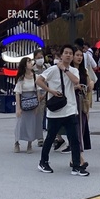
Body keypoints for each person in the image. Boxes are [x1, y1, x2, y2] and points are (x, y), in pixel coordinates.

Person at [37, 44, 87, 176]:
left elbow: (76, 81)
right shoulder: (52, 69)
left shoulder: (72, 70)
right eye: (66, 53)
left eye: (71, 53)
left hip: (70, 109)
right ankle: (43, 162)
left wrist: (64, 69)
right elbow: (39, 80)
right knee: (50, 137)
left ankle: (76, 166)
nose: (69, 55)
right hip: (55, 111)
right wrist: (50, 90)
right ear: (61, 55)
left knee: (74, 139)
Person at [13, 57, 43, 153]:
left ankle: (29, 144)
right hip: (23, 101)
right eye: (28, 62)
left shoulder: (36, 76)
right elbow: (17, 93)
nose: (31, 63)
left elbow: (38, 92)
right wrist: (18, 108)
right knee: (20, 123)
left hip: (33, 101)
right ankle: (16, 142)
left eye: (31, 61)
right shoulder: (21, 78)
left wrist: (37, 105)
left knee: (32, 123)